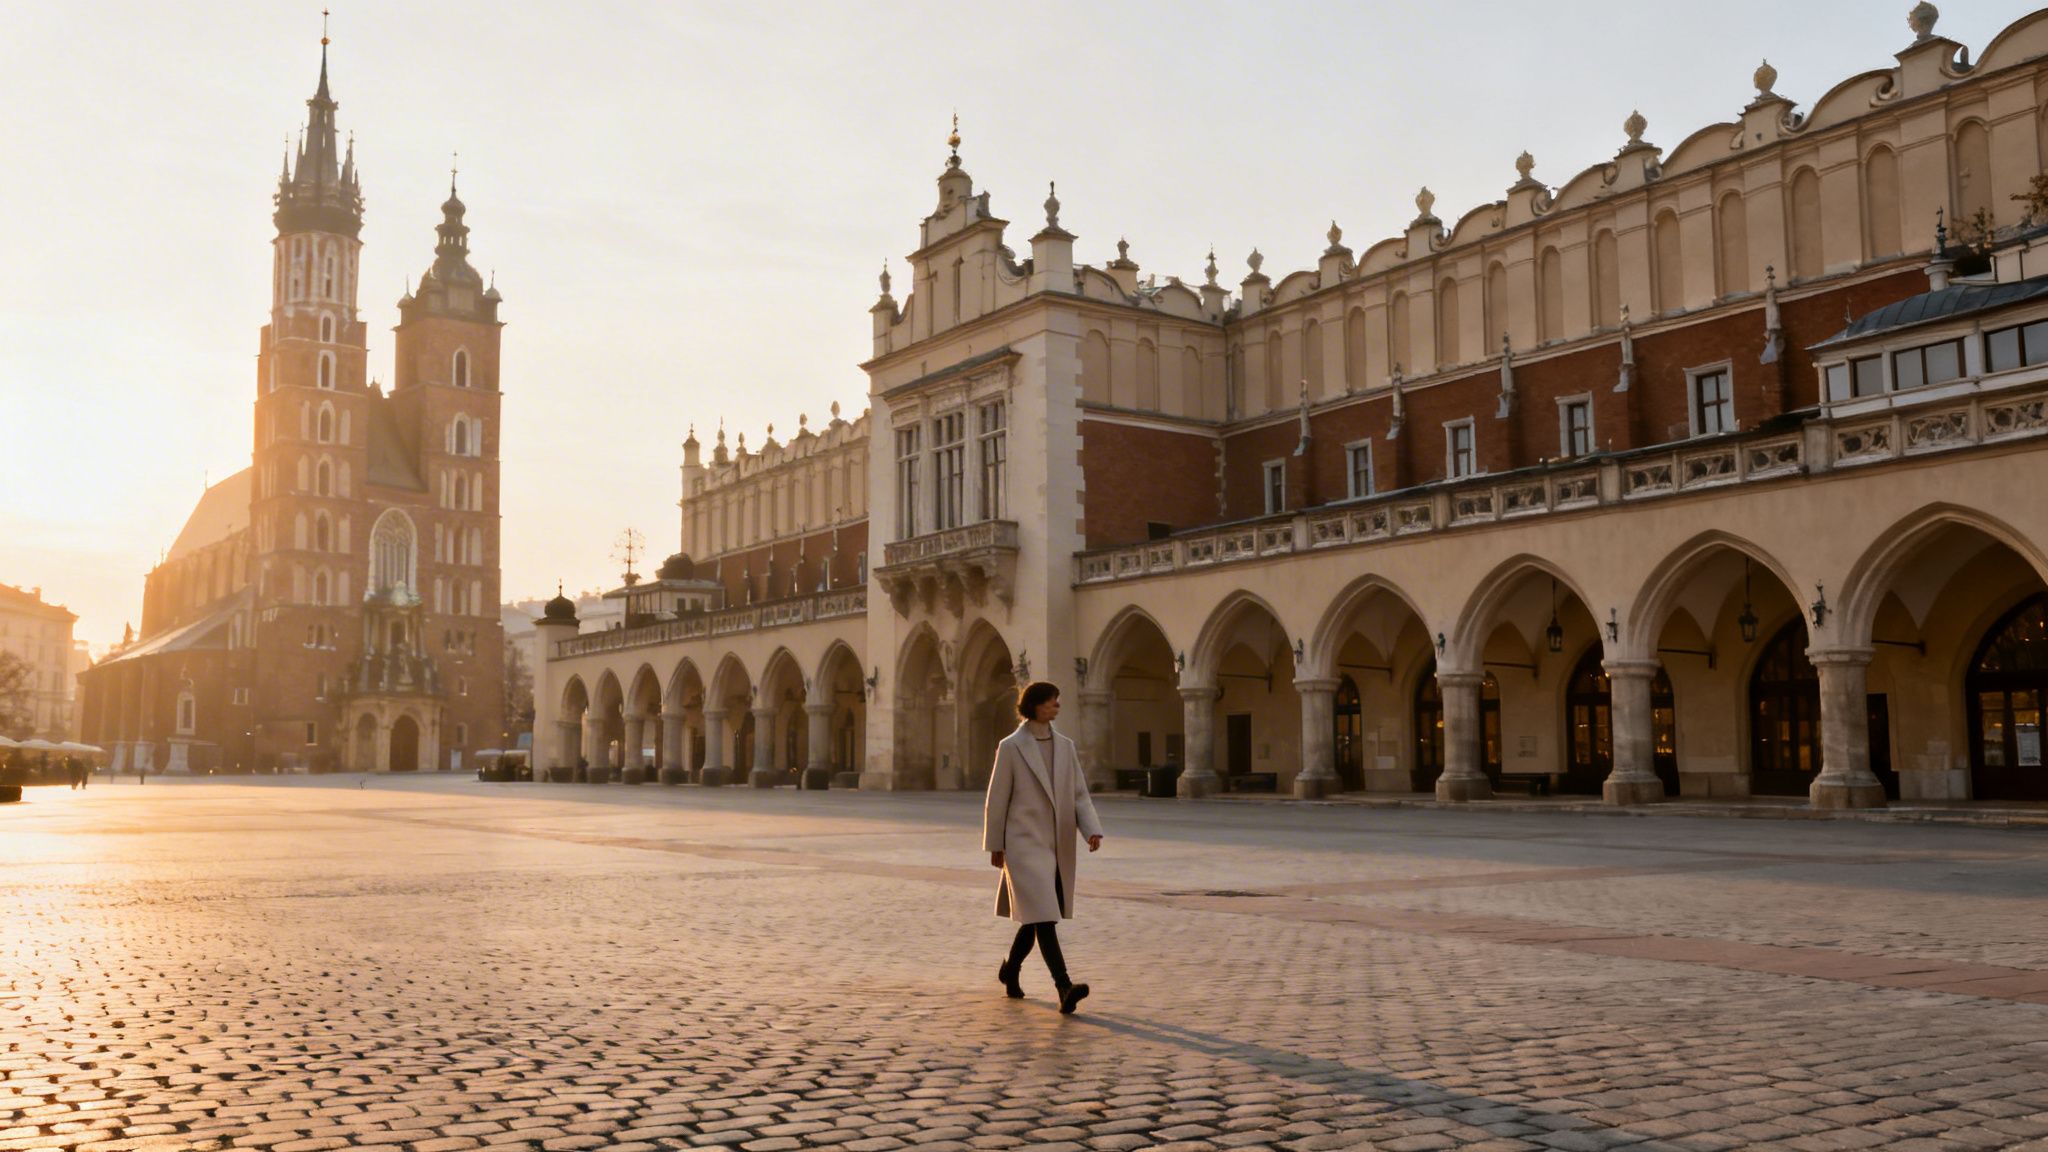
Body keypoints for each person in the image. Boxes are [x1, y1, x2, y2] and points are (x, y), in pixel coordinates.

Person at [982, 680, 1105, 1014]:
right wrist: (995, 844)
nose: (1057, 706)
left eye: (1057, 700)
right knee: (1046, 917)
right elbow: (997, 798)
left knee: (1036, 915)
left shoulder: (1065, 746)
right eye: (1051, 701)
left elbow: (1079, 793)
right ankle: (1064, 987)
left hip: (1056, 840)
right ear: (1034, 705)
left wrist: (1091, 829)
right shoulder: (1011, 746)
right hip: (1022, 842)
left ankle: (1010, 971)